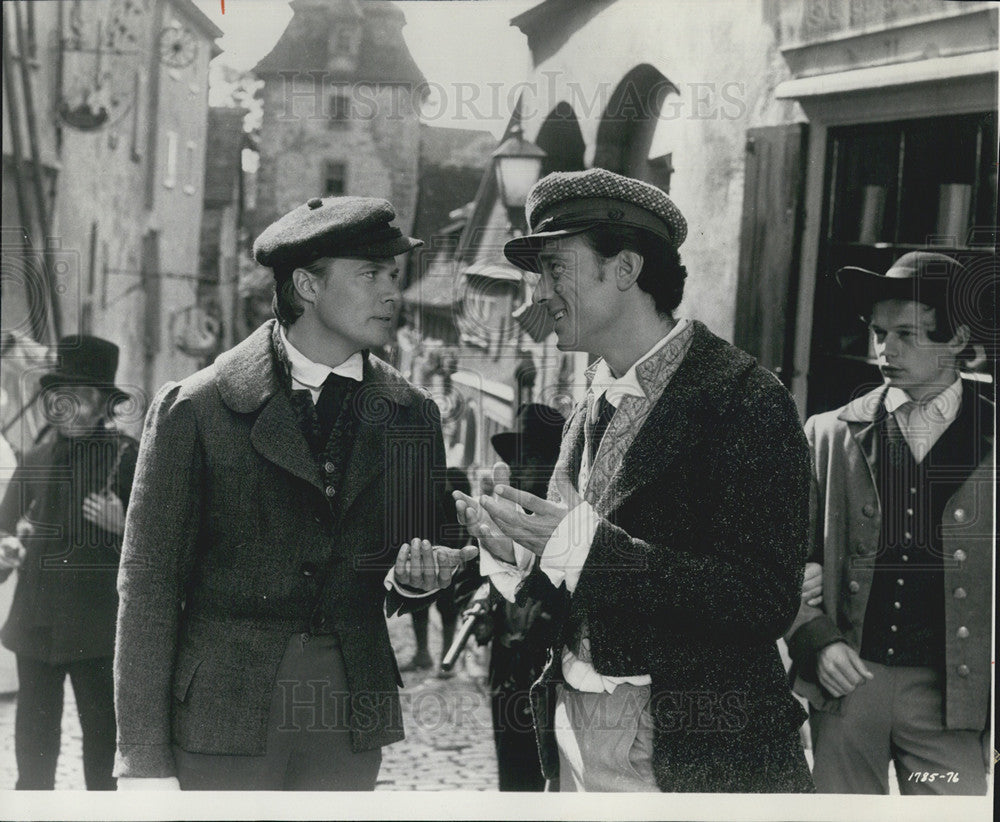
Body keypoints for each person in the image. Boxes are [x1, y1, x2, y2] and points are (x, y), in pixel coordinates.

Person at [455, 168, 814, 793]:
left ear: (624, 270)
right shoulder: (594, 390)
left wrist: (584, 549)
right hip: (573, 734)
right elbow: (577, 567)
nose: (539, 294)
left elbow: (763, 600)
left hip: (687, 752)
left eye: (555, 270)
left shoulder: (747, 401)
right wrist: (511, 549)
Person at [113, 195, 476, 791]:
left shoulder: (413, 415)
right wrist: (142, 761)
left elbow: (417, 556)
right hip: (223, 717)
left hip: (348, 720)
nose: (392, 294)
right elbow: (147, 587)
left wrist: (416, 578)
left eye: (393, 275)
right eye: (371, 275)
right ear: (307, 285)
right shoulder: (196, 409)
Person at [784, 251, 993, 794]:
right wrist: (816, 639)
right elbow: (773, 559)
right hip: (848, 685)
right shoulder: (828, 434)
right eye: (879, 333)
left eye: (907, 334)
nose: (885, 349)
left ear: (956, 340)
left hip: (953, 698)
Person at [0, 336, 138, 790]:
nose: (63, 409)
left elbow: (167, 547)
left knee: (103, 751)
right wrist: (7, 548)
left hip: (98, 632)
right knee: (34, 751)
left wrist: (124, 527)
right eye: (57, 398)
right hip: (36, 626)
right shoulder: (37, 457)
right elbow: (1, 529)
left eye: (77, 399)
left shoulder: (128, 457)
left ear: (103, 406)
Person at [480, 402, 564, 791]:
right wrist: (481, 607)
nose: (523, 469)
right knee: (512, 779)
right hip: (506, 670)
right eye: (519, 460)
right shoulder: (499, 514)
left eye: (533, 457)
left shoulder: (569, 522)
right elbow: (472, 575)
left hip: (550, 674)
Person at [401, 467, 473, 677]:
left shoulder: (455, 477)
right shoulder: (421, 482)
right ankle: (422, 655)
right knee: (416, 603)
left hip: (449, 556)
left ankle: (446, 660)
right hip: (424, 553)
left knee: (447, 607)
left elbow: (464, 523)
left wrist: (458, 556)